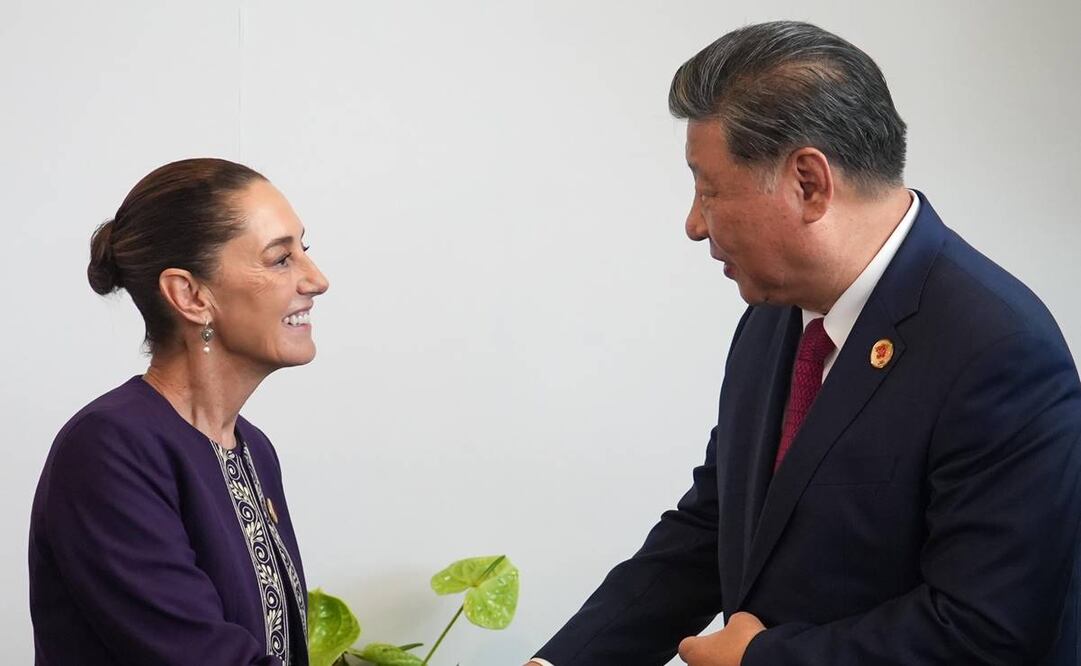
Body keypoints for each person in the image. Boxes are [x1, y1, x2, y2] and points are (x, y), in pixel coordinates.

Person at [528, 20, 1081, 666]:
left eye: (708, 188)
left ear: (808, 183)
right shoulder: (774, 315)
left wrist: (759, 659)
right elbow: (715, 526)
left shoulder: (998, 350)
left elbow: (986, 628)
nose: (693, 223)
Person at [29, 158, 330, 665]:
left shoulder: (253, 449)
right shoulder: (110, 450)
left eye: (305, 250)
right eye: (281, 259)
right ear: (190, 296)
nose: (316, 279)